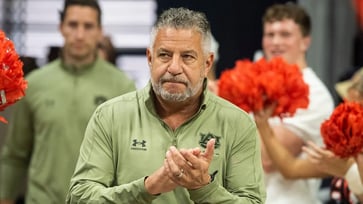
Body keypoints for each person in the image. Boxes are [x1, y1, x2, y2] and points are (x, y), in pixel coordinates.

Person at [66, 7, 266, 203]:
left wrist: (204, 189)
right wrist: (147, 188)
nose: (174, 67)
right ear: (150, 58)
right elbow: (79, 197)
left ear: (207, 64)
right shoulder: (110, 116)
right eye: (164, 55)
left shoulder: (237, 123)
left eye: (187, 57)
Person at [0, 0, 136, 203]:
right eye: (73, 25)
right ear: (61, 27)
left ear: (99, 31)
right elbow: (15, 155)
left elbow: (129, 159)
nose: (80, 35)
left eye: (88, 26)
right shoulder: (35, 84)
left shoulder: (122, 88)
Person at [256, 3, 334, 204]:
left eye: (285, 34)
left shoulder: (315, 95)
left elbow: (266, 160)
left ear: (305, 42)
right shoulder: (259, 82)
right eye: (270, 34)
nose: (275, 42)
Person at [254, 72, 363, 203]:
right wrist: (263, 125)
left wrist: (350, 171)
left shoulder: (349, 160)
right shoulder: (344, 153)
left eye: (357, 104)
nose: (347, 104)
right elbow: (291, 169)